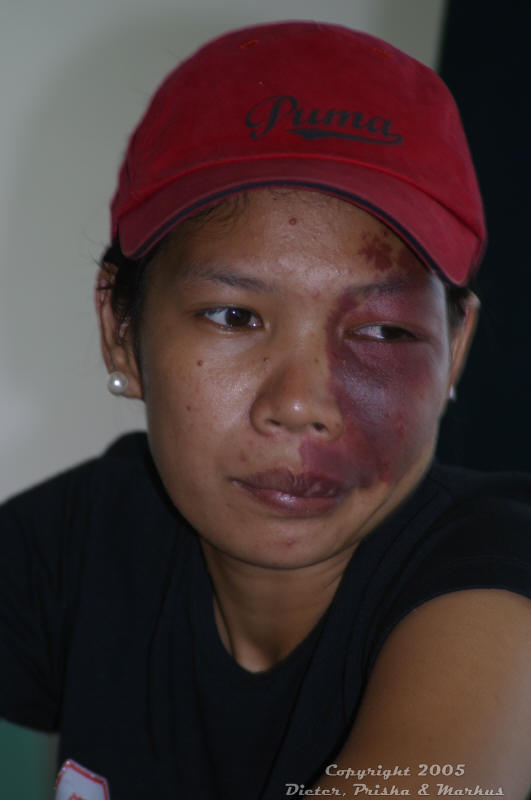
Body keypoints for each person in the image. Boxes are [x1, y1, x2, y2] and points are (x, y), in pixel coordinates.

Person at [1, 19, 531, 800]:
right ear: (120, 329)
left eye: (382, 331)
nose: (302, 405)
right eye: (234, 316)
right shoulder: (55, 556)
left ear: (453, 350)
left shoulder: (500, 587)